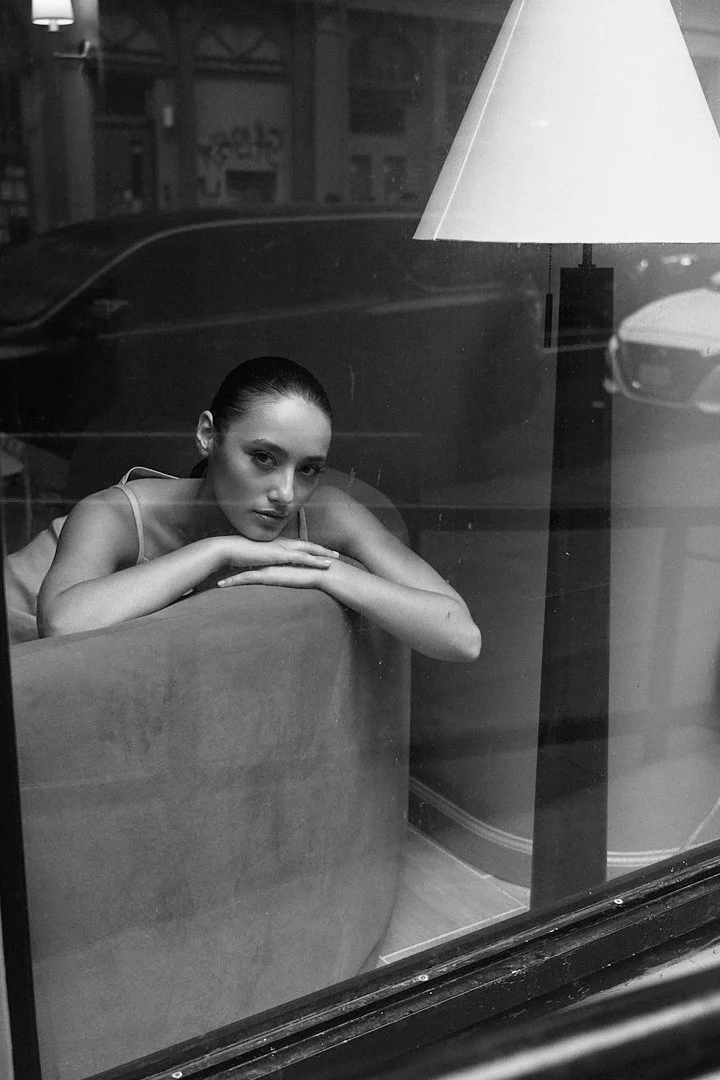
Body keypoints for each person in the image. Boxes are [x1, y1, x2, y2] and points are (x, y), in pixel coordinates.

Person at [34, 356, 481, 661]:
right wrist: (216, 551)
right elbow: (60, 625)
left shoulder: (328, 513)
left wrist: (331, 573)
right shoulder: (111, 514)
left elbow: (462, 638)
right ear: (209, 436)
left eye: (308, 469)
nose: (286, 492)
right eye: (263, 458)